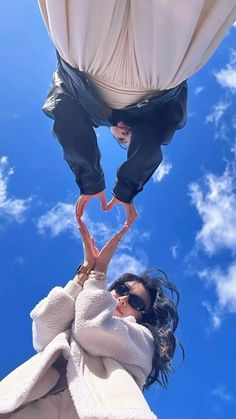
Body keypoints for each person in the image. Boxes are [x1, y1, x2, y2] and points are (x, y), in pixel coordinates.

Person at [38, 0, 236, 225]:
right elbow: (150, 141)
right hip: (157, 74)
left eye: (120, 138)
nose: (125, 133)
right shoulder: (157, 118)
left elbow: (66, 116)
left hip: (84, 59)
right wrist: (125, 190)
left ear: (111, 132)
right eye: (129, 139)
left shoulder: (90, 112)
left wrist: (90, 182)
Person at [0, 221, 181, 419]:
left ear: (142, 316)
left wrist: (99, 272)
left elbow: (90, 328)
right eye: (121, 289)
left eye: (136, 302)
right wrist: (83, 273)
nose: (123, 299)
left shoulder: (142, 341)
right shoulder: (77, 320)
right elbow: (45, 326)